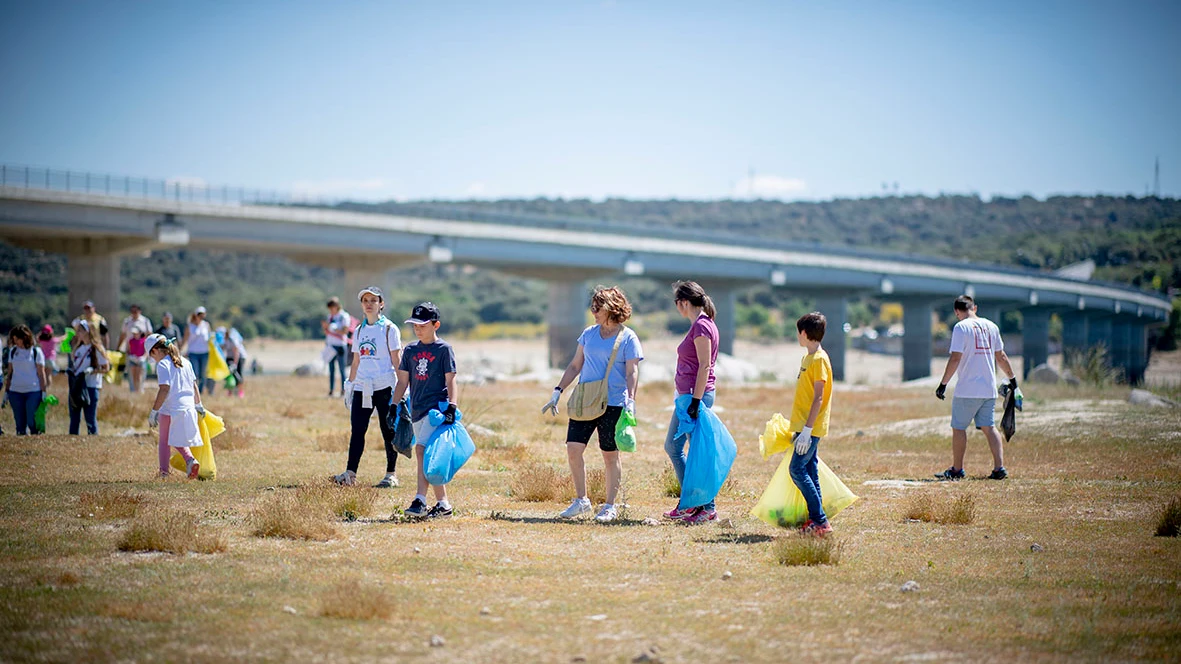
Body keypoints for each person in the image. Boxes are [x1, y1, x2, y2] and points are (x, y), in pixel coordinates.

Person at [542, 286, 643, 523]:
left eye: (598, 308)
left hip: (614, 403)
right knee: (573, 449)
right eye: (593, 307)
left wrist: (631, 400)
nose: (594, 312)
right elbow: (575, 365)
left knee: (610, 455)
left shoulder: (628, 337)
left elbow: (632, 371)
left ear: (612, 308)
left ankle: (609, 506)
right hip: (585, 400)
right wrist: (558, 390)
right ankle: (581, 501)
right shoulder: (588, 334)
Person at [934, 295, 1016, 481]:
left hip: (967, 389)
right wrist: (1013, 379)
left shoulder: (960, 327)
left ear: (957, 312)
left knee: (959, 428)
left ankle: (957, 469)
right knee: (989, 427)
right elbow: (1001, 356)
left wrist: (943, 384)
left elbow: (955, 358)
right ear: (975, 308)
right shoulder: (992, 326)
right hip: (989, 388)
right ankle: (999, 468)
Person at [661, 281, 720, 524]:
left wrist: (695, 402)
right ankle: (693, 504)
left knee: (685, 450)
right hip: (688, 397)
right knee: (679, 448)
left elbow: (705, 365)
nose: (676, 307)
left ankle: (705, 506)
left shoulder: (702, 327)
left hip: (694, 398)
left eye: (676, 302)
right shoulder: (700, 325)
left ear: (684, 302)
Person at [392, 301, 458, 519]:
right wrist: (393, 405)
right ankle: (443, 504)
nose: (417, 329)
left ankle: (420, 500)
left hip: (435, 411)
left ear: (435, 325)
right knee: (429, 458)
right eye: (415, 325)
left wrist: (452, 405)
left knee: (422, 451)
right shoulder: (410, 350)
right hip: (416, 410)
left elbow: (451, 381)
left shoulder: (444, 350)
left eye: (422, 325)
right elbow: (402, 382)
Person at [333, 287, 403, 488]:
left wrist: (403, 388)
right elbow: (356, 361)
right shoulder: (359, 330)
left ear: (381, 304)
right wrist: (349, 385)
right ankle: (350, 474)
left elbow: (396, 360)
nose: (369, 303)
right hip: (362, 387)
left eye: (373, 300)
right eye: (365, 300)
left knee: (388, 430)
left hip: (384, 387)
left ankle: (391, 474)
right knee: (357, 430)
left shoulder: (390, 329)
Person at [786, 312, 835, 536]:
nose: (798, 336)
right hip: (803, 426)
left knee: (796, 469)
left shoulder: (819, 359)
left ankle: (821, 521)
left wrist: (807, 431)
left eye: (798, 332)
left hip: (811, 428)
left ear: (804, 333)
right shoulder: (807, 358)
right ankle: (816, 520)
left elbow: (819, 397)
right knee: (810, 469)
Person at [144, 334, 205, 479]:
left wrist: (154, 411)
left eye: (152, 356)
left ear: (154, 351)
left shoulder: (163, 364)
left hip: (171, 409)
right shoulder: (186, 362)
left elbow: (164, 389)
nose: (153, 360)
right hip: (188, 408)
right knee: (175, 438)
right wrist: (199, 404)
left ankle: (164, 473)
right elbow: (194, 386)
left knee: (165, 441)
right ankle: (190, 461)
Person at [3, 325, 48, 435]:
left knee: (32, 421)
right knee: (19, 423)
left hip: (33, 391)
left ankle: (35, 440)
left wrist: (43, 392)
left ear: (24, 337)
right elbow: (10, 373)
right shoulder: (13, 351)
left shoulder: (36, 352)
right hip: (15, 392)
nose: (16, 342)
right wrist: (6, 392)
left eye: (17, 339)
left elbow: (41, 374)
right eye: (14, 340)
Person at [68, 320, 109, 436]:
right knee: (74, 416)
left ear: (88, 332)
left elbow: (106, 368)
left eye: (81, 330)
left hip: (91, 386)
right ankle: (72, 439)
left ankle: (93, 438)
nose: (78, 333)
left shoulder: (96, 348)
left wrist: (93, 371)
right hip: (77, 386)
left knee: (90, 418)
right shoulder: (78, 349)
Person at [116, 304, 153, 393]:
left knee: (141, 373)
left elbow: (150, 335)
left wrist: (149, 350)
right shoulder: (127, 322)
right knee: (131, 373)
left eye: (135, 311)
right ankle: (133, 391)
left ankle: (140, 390)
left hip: (142, 351)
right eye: (132, 311)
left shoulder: (145, 321)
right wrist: (118, 347)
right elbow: (123, 335)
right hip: (130, 351)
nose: (134, 313)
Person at [322, 296, 353, 397]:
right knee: (331, 369)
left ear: (336, 306)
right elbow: (327, 332)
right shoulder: (330, 317)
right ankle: (331, 390)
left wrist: (333, 328)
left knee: (342, 369)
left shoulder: (344, 316)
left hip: (340, 345)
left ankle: (343, 391)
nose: (331, 310)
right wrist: (326, 328)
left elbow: (345, 331)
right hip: (330, 345)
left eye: (332, 308)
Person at [181, 307, 212, 393]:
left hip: (205, 352)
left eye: (202, 315)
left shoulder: (206, 325)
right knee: (195, 373)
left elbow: (210, 338)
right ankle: (194, 390)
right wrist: (180, 350)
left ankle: (200, 391)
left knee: (202, 374)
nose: (201, 317)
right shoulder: (189, 326)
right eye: (199, 315)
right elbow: (185, 339)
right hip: (193, 352)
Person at [221, 325, 248, 398]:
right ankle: (230, 392)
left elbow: (236, 352)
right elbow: (222, 349)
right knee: (230, 375)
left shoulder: (232, 339)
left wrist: (235, 364)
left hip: (239, 357)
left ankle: (240, 392)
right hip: (230, 358)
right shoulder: (224, 340)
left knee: (238, 375)